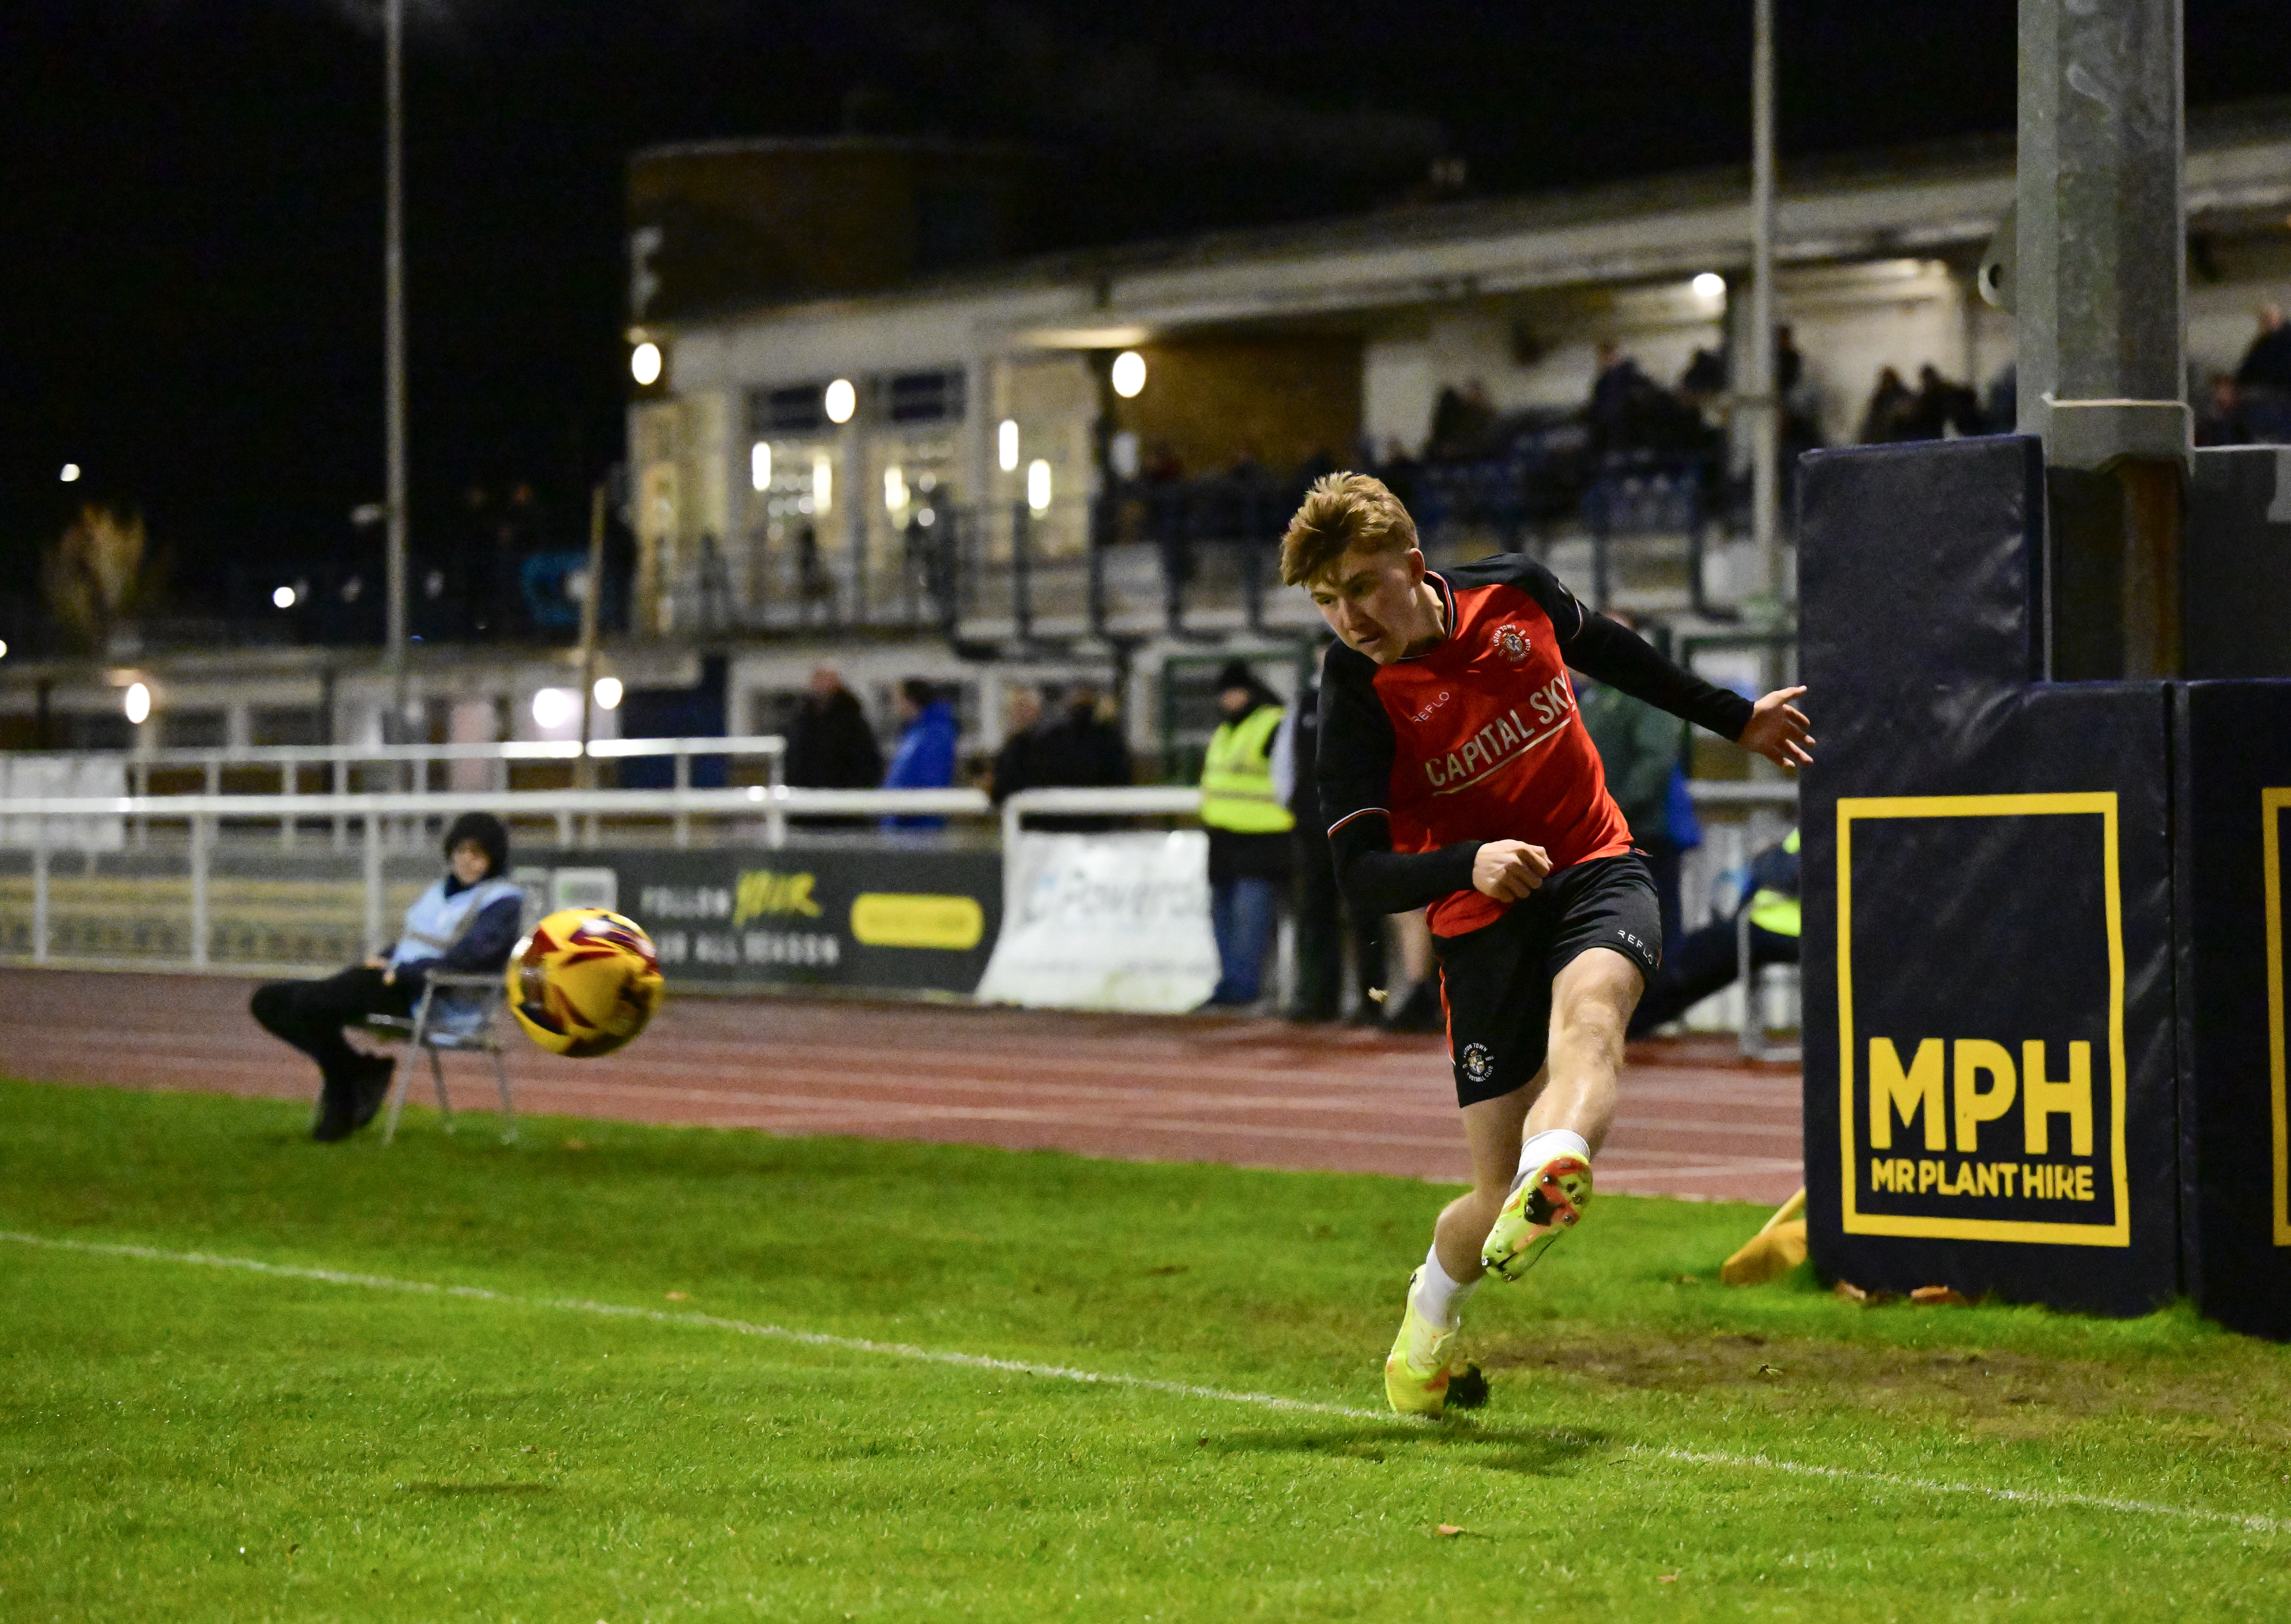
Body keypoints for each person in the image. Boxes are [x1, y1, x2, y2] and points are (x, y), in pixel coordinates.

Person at [1283, 472, 1811, 1417]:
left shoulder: (1514, 592)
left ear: (1413, 565)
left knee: (1595, 1017)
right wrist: (1466, 863)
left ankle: (1560, 1156)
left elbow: (1617, 653)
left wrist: (1739, 718)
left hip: (1596, 863)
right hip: (1480, 923)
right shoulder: (1356, 689)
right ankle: (1423, 1338)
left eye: (1361, 587)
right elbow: (1356, 872)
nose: (1348, 616)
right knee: (1487, 1202)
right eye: (1327, 601)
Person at [250, 813, 524, 1143]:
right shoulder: (440, 891)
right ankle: (353, 1070)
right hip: (395, 982)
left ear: (494, 859)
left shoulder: (502, 901)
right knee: (269, 1001)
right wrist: (386, 956)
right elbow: (416, 940)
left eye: (478, 854)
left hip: (431, 999)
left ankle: (345, 1086)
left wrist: (402, 971)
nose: (467, 860)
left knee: (316, 1002)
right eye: (462, 850)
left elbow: (468, 959)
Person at [1575, 613, 1690, 952]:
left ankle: (1660, 1003)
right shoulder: (1591, 697)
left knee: (1654, 941)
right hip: (1599, 843)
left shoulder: (1644, 689)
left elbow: (1654, 760)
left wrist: (1612, 809)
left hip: (1642, 838)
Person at [1285, 659, 1384, 1024]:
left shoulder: (1367, 695)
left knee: (1365, 914)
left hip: (1359, 822)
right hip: (1313, 825)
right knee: (1317, 912)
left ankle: (1373, 1000)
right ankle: (1320, 997)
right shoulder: (1306, 701)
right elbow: (1286, 760)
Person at [1629, 828, 1800, 1037]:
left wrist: (1768, 856)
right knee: (1690, 963)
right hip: (1769, 925)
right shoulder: (1824, 815)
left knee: (1689, 963)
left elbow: (1788, 873)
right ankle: (1630, 1022)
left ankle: (1625, 1022)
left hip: (1782, 929)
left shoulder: (1825, 815)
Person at [1197, 659, 1294, 1009]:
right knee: (1222, 913)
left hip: (1262, 839)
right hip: (1224, 837)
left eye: (1234, 691)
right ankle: (1229, 982)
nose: (1228, 700)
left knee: (1250, 917)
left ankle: (1244, 985)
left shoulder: (1272, 724)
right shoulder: (1226, 730)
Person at [784, 665, 882, 790]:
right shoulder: (803, 719)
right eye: (819, 679)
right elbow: (794, 759)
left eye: (826, 679)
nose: (822, 685)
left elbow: (866, 763)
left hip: (845, 797)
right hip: (807, 797)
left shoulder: (852, 721)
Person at [880, 677, 959, 828]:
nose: (896, 706)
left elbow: (932, 778)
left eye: (898, 699)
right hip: (902, 822)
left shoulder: (936, 734)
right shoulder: (914, 733)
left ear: (910, 700)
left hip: (919, 826)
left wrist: (906, 809)